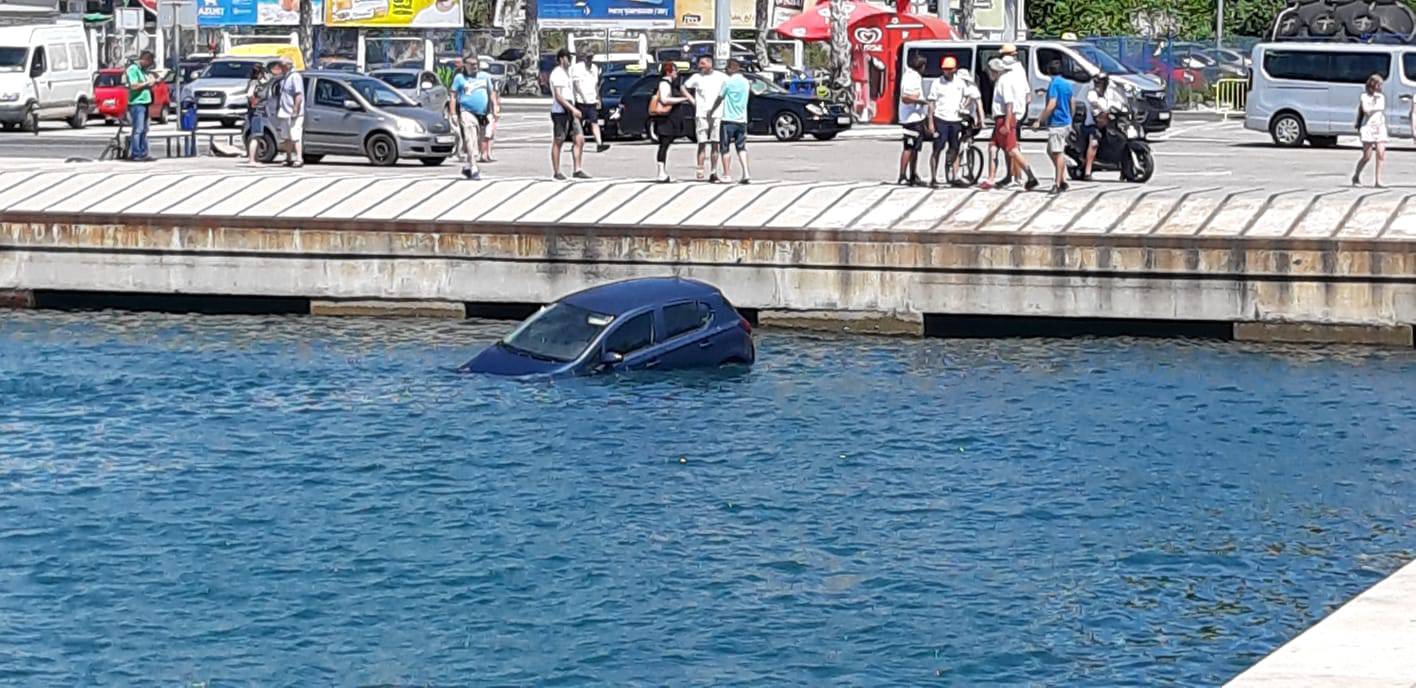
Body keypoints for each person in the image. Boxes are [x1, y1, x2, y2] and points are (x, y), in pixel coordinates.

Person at [985, 45, 1039, 190]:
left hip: (1006, 117)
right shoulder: (1017, 71)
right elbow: (1027, 95)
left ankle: (1030, 175)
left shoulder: (1004, 81)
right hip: (1003, 117)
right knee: (994, 147)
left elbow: (1009, 103)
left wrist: (1008, 123)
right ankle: (1002, 176)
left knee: (1012, 149)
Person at [450, 52, 500, 180]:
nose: (475, 66)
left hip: (483, 113)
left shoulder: (485, 77)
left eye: (476, 64)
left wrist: (495, 108)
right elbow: (453, 96)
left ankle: (467, 166)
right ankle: (473, 167)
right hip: (467, 112)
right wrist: (453, 114)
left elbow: (492, 93)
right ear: (465, 65)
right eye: (471, 64)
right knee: (470, 139)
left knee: (481, 139)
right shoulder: (460, 78)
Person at [927, 56, 971, 188]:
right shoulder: (937, 83)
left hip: (956, 120)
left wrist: (963, 106)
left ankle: (955, 176)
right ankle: (934, 178)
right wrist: (930, 123)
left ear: (955, 69)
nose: (947, 72)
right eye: (945, 69)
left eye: (950, 69)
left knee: (955, 149)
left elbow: (968, 95)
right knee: (937, 148)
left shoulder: (960, 83)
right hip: (941, 119)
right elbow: (931, 103)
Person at [683, 55, 728, 182]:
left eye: (702, 63)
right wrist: (692, 100)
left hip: (717, 114)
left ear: (710, 64)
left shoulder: (721, 77)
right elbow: (684, 87)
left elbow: (728, 88)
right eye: (699, 64)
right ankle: (700, 169)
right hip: (701, 113)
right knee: (702, 143)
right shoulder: (697, 77)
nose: (700, 66)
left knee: (715, 143)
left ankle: (713, 171)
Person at [548, 48, 587, 180]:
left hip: (571, 108)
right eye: (567, 58)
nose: (570, 60)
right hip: (560, 111)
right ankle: (557, 171)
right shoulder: (557, 73)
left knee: (579, 138)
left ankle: (578, 169)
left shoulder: (567, 73)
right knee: (559, 139)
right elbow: (559, 96)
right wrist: (572, 108)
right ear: (561, 59)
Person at [1037, 59, 1075, 193]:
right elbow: (1072, 102)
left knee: (1057, 153)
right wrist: (1071, 117)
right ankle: (1062, 179)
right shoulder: (1067, 84)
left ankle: (1058, 183)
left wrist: (1040, 120)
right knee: (1051, 150)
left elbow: (1052, 104)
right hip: (1066, 122)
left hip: (1057, 123)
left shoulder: (1054, 84)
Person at [650, 60, 690, 183]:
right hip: (665, 119)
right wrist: (682, 99)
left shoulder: (671, 83)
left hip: (669, 118)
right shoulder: (664, 83)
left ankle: (663, 171)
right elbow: (665, 99)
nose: (676, 73)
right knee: (664, 144)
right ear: (668, 72)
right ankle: (661, 172)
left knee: (666, 144)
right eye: (674, 71)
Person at [716, 58, 752, 184]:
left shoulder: (728, 82)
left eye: (727, 68)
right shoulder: (746, 82)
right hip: (742, 119)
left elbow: (720, 97)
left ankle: (727, 174)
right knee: (741, 147)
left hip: (728, 119)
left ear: (731, 69)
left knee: (725, 147)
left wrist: (712, 110)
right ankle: (746, 173)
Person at [1082, 73, 1124, 180]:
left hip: (1110, 123)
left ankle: (1124, 168)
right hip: (1093, 124)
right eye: (1098, 81)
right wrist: (1102, 109)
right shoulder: (1092, 94)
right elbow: (1094, 104)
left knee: (1121, 139)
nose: (1100, 84)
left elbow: (1118, 102)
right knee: (1094, 143)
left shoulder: (1109, 93)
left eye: (1103, 81)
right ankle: (1088, 171)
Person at [897, 53, 929, 186]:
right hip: (910, 119)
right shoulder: (910, 77)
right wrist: (920, 100)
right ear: (921, 66)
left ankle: (913, 174)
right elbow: (905, 97)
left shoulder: (915, 76)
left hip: (917, 117)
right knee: (909, 146)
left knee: (916, 148)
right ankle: (902, 175)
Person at [570, 50, 609, 153]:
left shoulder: (594, 68)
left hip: (592, 100)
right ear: (583, 58)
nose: (589, 60)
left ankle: (599, 144)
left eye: (591, 57)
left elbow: (596, 85)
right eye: (587, 57)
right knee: (578, 123)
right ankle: (576, 143)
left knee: (594, 122)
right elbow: (576, 84)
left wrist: (598, 98)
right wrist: (582, 97)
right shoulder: (577, 68)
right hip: (581, 101)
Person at [1353, 73, 1388, 187]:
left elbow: (1380, 107)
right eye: (1379, 84)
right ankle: (1356, 176)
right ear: (1373, 84)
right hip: (1368, 127)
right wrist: (1372, 106)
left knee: (1380, 153)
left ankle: (1378, 180)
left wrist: (1373, 106)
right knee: (1367, 156)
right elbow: (1366, 111)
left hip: (1380, 126)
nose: (1381, 87)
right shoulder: (1364, 96)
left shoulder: (1381, 97)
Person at [123, 51, 156, 162]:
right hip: (137, 103)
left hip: (145, 102)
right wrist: (147, 83)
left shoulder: (143, 71)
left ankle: (144, 152)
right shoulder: (133, 69)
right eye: (149, 62)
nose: (150, 65)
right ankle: (136, 153)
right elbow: (133, 86)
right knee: (138, 129)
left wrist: (153, 82)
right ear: (144, 60)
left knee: (145, 129)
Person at [270, 58, 304, 167]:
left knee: (295, 135)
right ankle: (288, 157)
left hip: (293, 112)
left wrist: (295, 110)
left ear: (288, 65)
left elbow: (298, 95)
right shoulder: (285, 77)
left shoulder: (295, 77)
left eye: (281, 65)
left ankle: (299, 158)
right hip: (284, 111)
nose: (280, 67)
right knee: (286, 136)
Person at [244, 63, 268, 165]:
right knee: (255, 135)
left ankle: (256, 158)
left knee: (258, 136)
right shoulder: (254, 82)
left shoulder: (257, 82)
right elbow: (249, 94)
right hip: (256, 111)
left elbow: (266, 82)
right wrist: (254, 102)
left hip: (259, 111)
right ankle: (252, 160)